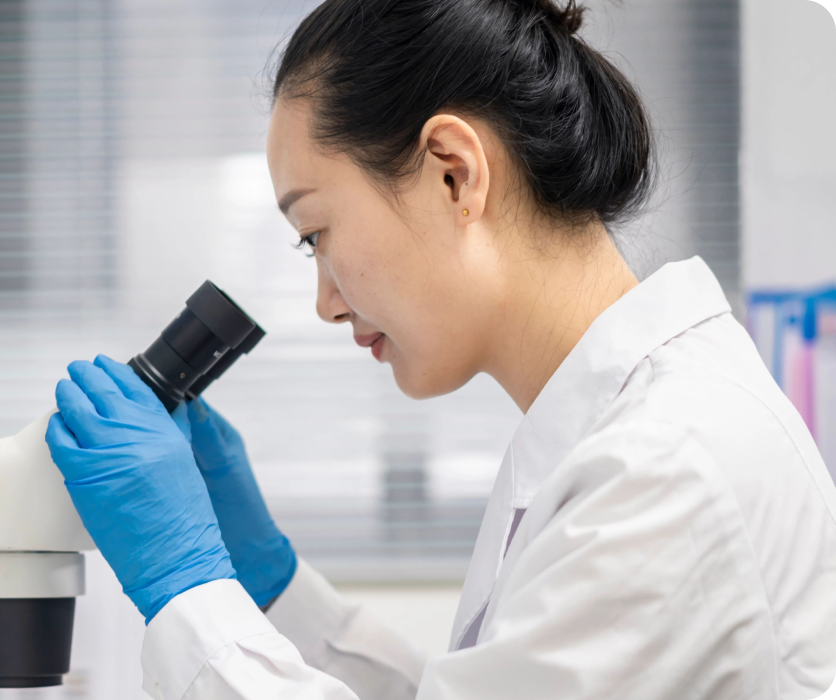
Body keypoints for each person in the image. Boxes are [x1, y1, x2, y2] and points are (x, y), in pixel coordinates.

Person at [44, 0, 836, 698]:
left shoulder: (666, 471)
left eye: (317, 233)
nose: (324, 302)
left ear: (455, 174)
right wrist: (272, 588)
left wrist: (187, 589)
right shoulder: (625, 432)